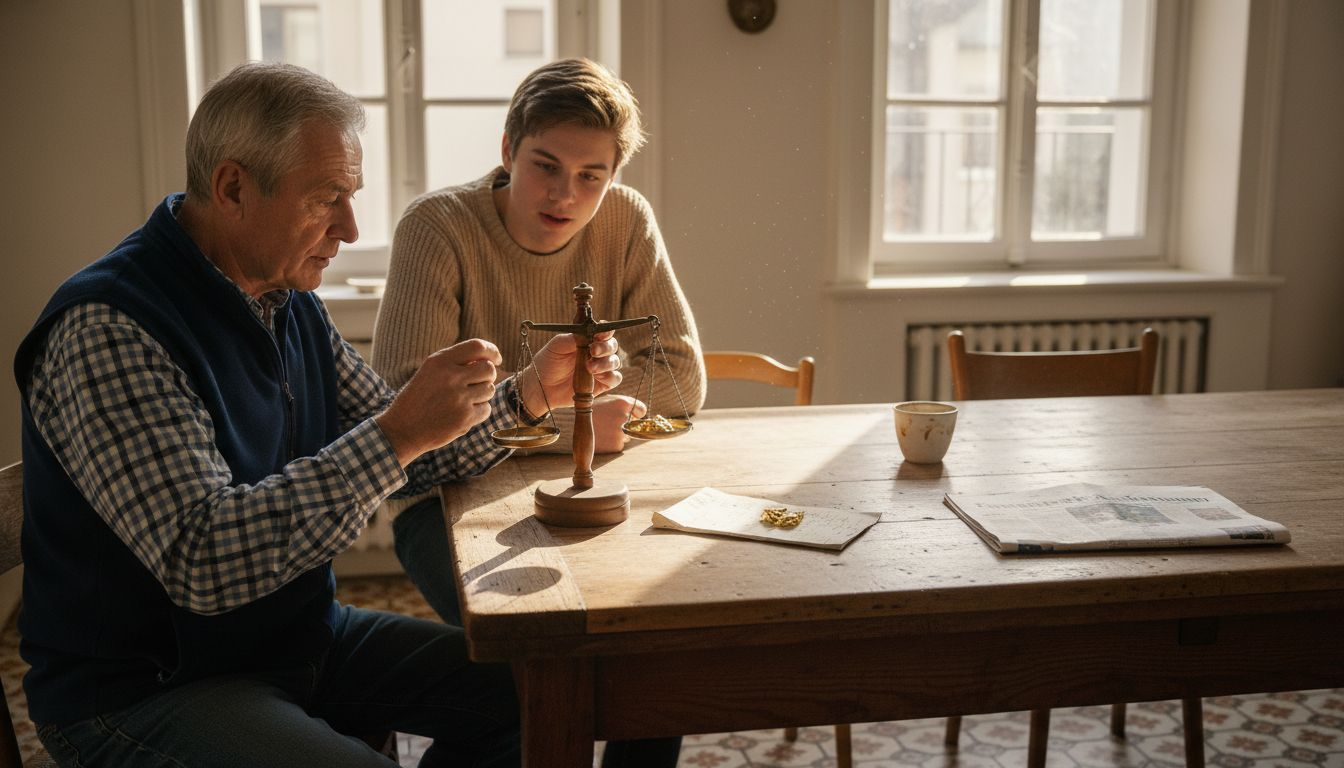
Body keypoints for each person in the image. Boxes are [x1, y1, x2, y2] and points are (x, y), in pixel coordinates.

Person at [13, 61, 625, 768]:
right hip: (145, 690)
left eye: (351, 196)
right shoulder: (110, 327)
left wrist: (530, 395)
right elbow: (201, 561)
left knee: (538, 697)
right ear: (233, 187)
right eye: (326, 198)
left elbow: (412, 456)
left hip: (294, 641)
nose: (350, 228)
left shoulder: (285, 297)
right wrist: (398, 432)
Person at [371, 57, 702, 767]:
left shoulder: (626, 218)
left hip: (585, 494)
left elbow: (680, 378)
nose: (565, 195)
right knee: (532, 672)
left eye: (592, 176)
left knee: (659, 660)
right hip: (443, 505)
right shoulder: (437, 227)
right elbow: (410, 431)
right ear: (507, 150)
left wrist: (561, 426)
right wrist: (571, 427)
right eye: (545, 166)